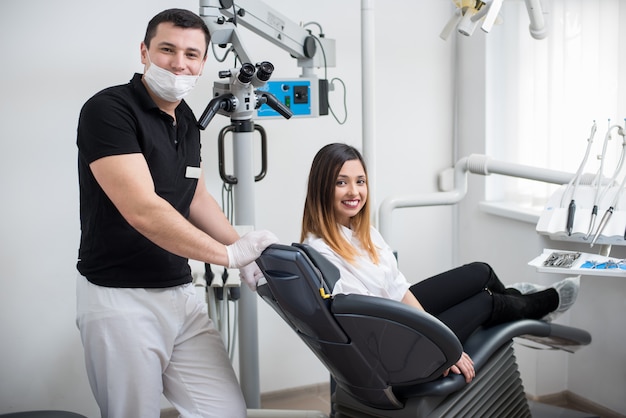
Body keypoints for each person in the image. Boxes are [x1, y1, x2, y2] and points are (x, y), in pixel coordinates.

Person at [75, 9, 277, 418]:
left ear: (203, 63)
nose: (179, 63)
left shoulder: (186, 118)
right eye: (167, 49)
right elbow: (143, 211)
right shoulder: (109, 110)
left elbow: (196, 197)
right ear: (145, 51)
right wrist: (229, 257)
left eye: (191, 54)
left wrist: (243, 250)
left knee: (224, 411)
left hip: (180, 293)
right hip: (122, 298)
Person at [301, 143, 579, 384]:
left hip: (397, 319)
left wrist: (427, 324)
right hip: (393, 345)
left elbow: (398, 288)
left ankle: (516, 303)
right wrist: (445, 348)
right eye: (341, 182)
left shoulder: (363, 233)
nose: (354, 191)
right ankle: (538, 306)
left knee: (480, 272)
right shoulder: (321, 252)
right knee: (487, 301)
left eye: (360, 181)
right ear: (322, 188)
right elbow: (365, 322)